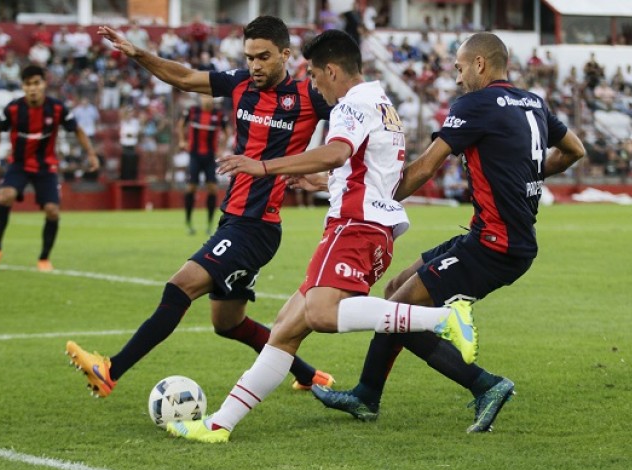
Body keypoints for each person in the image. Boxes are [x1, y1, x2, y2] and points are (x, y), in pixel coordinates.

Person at [164, 29, 474, 444]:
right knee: (285, 330)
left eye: (312, 75)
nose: (312, 84)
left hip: (354, 226)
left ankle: (443, 319)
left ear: (331, 70)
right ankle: (220, 425)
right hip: (372, 228)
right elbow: (369, 171)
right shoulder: (382, 103)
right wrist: (326, 182)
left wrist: (266, 166)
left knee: (323, 314)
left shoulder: (350, 104)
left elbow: (338, 152)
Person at [309, 32, 585, 433]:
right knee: (396, 291)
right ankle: (367, 393)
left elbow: (425, 167)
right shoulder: (533, 102)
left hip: (494, 246)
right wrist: (526, 174)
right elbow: (575, 149)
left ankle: (485, 385)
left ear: (480, 64)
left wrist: (372, 198)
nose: (457, 78)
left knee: (400, 312)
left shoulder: (474, 104)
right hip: (491, 237)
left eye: (459, 68)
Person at [65, 16, 335, 399]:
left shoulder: (309, 97)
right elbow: (185, 77)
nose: (255, 65)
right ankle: (310, 376)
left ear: (285, 55)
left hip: (254, 227)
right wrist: (139, 53)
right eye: (249, 57)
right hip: (235, 221)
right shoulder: (240, 83)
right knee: (229, 324)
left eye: (263, 57)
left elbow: (351, 136)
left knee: (180, 287)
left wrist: (325, 177)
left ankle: (110, 370)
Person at [0, 65, 100, 272]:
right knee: (5, 196)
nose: (33, 88)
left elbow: (77, 130)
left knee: (52, 211)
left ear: (44, 84)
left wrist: (91, 153)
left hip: (46, 166)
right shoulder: (13, 109)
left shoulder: (57, 108)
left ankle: (44, 258)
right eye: (28, 84)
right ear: (23, 86)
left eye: (36, 83)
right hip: (19, 164)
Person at [177, 94, 229, 235]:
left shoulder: (219, 114)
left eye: (209, 96)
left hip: (210, 156)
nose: (206, 99)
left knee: (212, 188)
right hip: (194, 155)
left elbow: (227, 131)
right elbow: (181, 124)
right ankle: (188, 222)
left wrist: (222, 148)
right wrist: (182, 140)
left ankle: (209, 224)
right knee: (191, 187)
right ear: (200, 98)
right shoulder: (192, 111)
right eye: (204, 96)